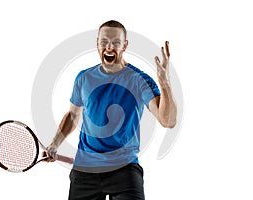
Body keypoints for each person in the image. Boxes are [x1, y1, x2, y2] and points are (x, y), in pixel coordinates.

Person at [44, 20, 177, 200]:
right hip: (85, 169)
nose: (109, 47)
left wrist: (165, 84)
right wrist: (54, 144)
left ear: (124, 45)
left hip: (125, 168)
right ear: (97, 43)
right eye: (104, 42)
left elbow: (167, 121)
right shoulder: (84, 78)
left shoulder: (139, 80)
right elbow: (73, 115)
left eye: (115, 43)